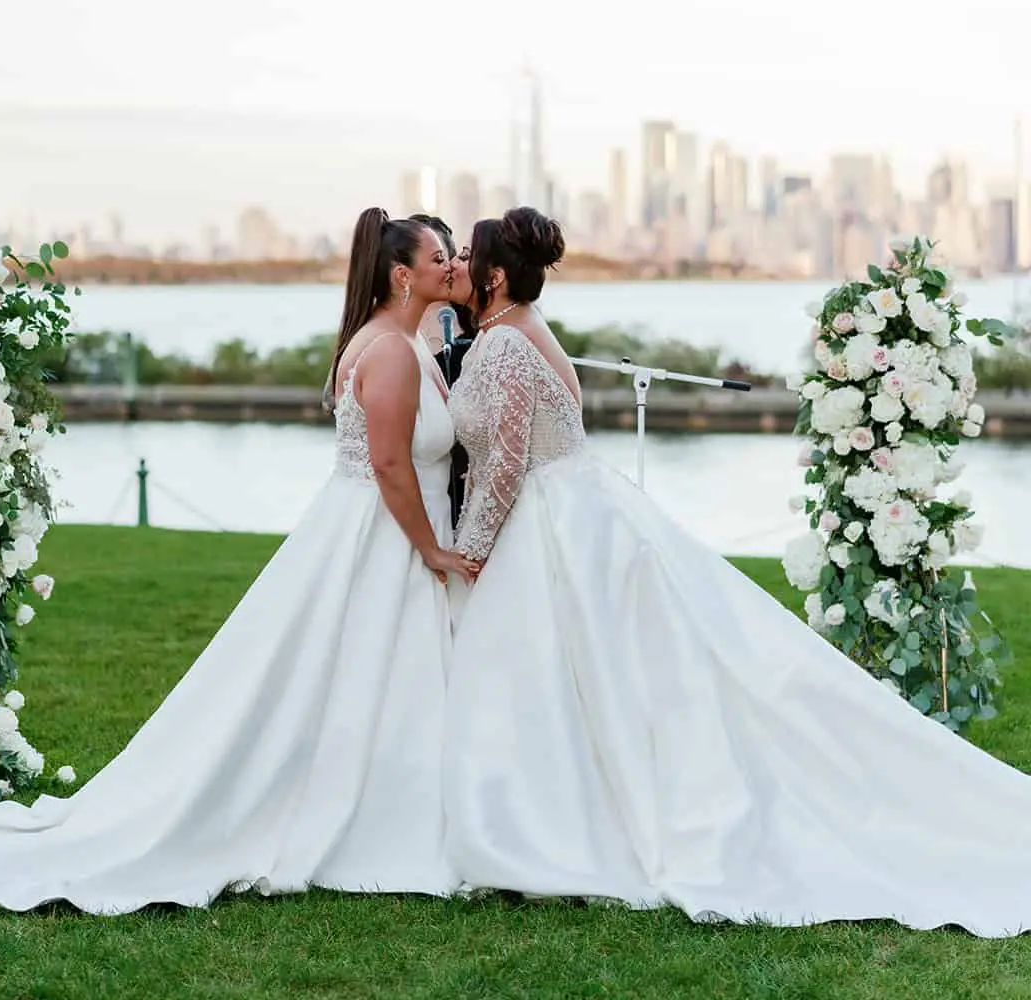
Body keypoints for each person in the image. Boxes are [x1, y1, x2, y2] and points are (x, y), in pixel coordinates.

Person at [0, 208, 477, 914]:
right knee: (355, 671)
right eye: (439, 257)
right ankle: (371, 816)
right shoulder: (390, 349)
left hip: (369, 526)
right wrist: (431, 547)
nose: (451, 264)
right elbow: (392, 464)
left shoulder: (401, 337)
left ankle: (386, 799)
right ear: (401, 275)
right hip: (385, 533)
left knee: (362, 676)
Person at [442, 205, 1031, 938]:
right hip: (575, 505)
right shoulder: (524, 327)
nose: (457, 264)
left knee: (574, 669)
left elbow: (504, 462)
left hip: (550, 517)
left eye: (466, 255)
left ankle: (549, 820)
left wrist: (468, 549)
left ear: (495, 275)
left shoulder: (504, 344)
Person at [408, 213, 476, 527]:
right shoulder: (391, 328)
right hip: (416, 469)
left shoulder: (474, 326)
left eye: (442, 258)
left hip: (464, 473)